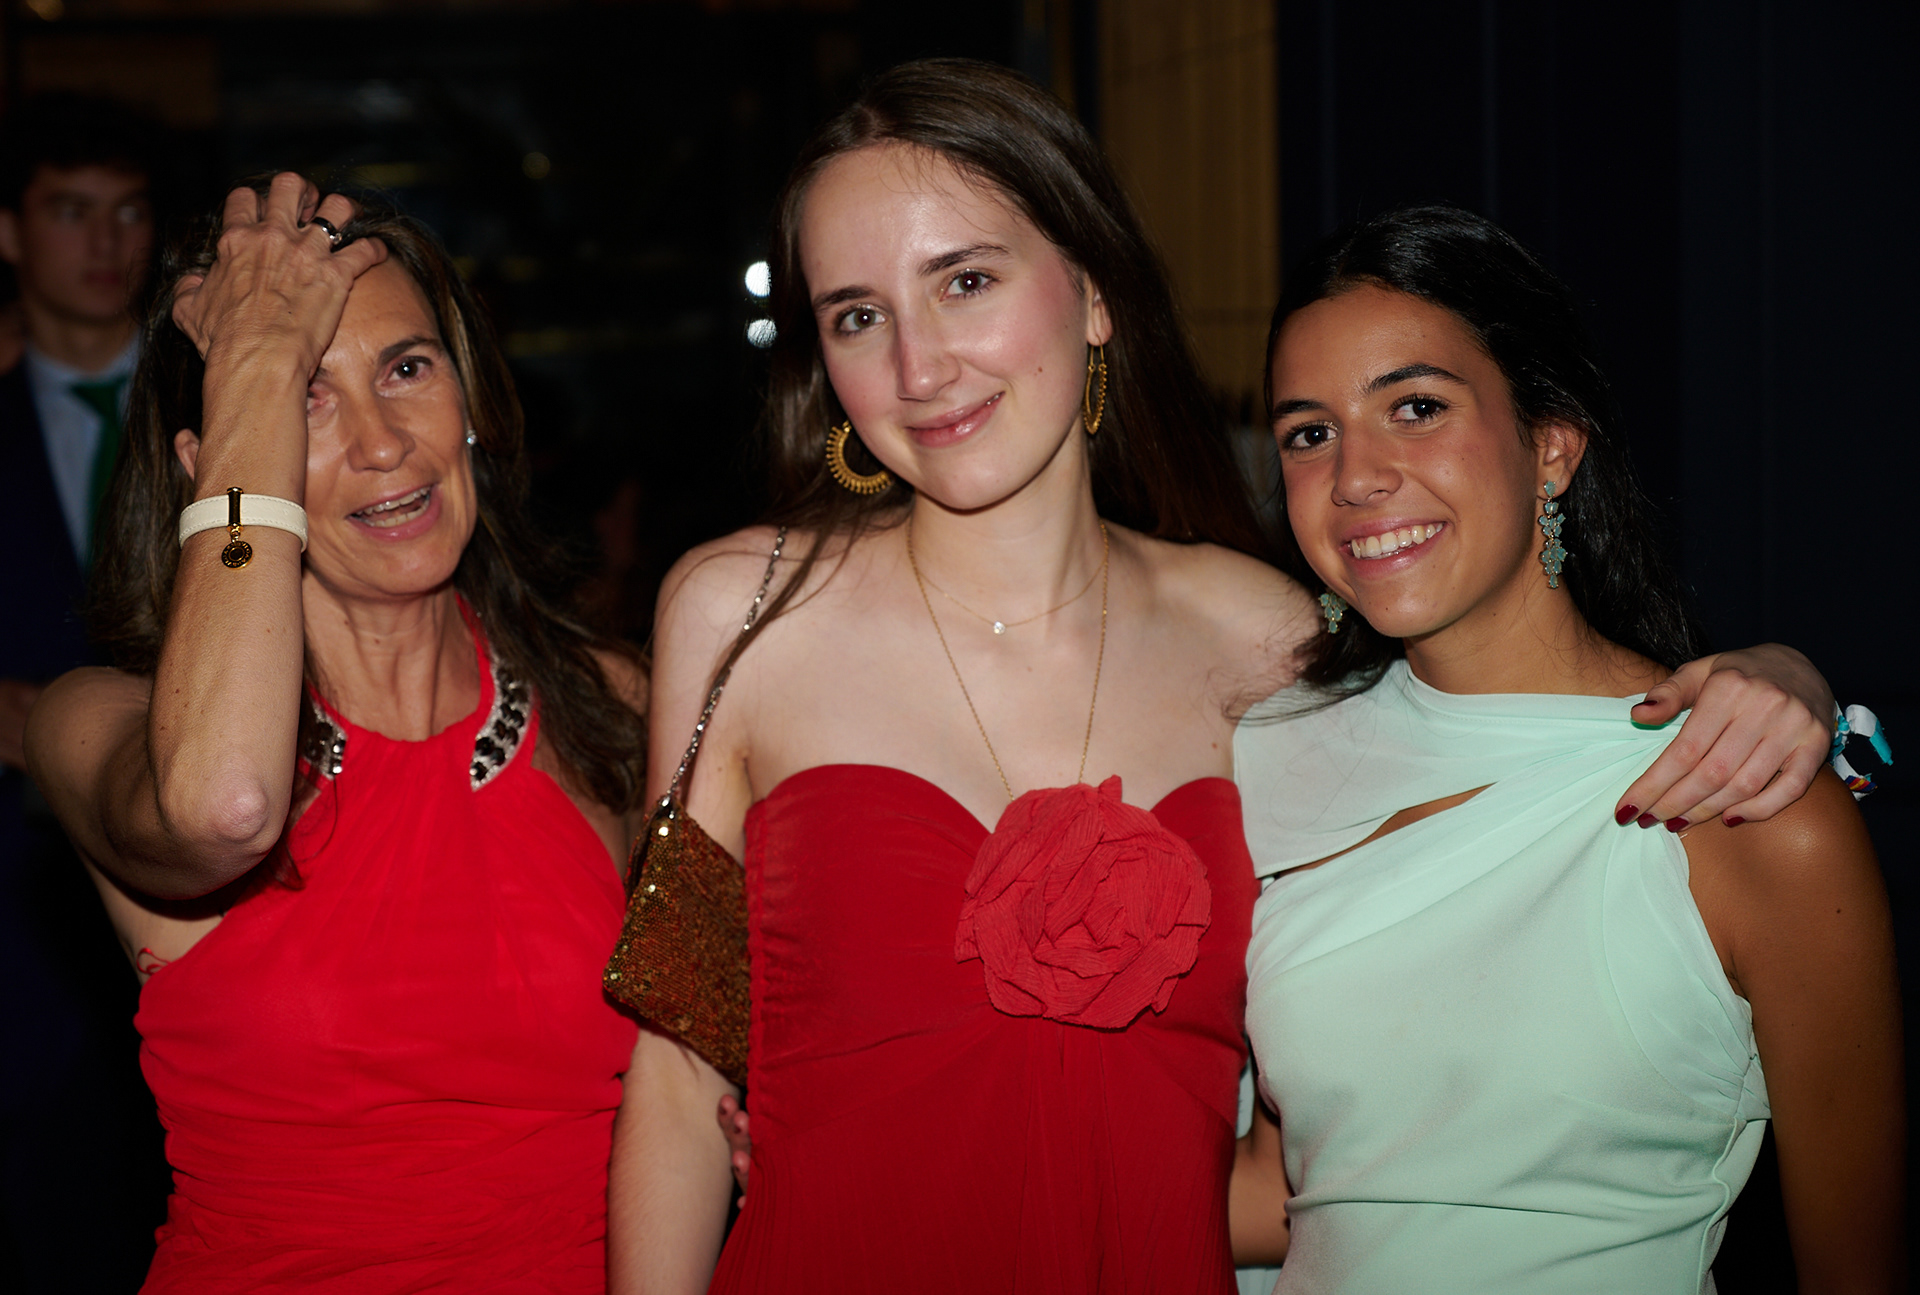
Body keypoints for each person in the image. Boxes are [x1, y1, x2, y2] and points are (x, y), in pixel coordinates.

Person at [614, 60, 1838, 1295]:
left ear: (1093, 294)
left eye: (965, 281)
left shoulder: (1266, 636)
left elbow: (1506, 788)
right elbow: (674, 1077)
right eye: (857, 316)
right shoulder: (742, 612)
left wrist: (1794, 685)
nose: (918, 366)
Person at [1231, 205, 1904, 1292]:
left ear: (1551, 445)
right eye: (1310, 432)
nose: (1355, 475)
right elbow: (1290, 1183)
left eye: (1415, 407)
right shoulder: (1270, 753)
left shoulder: (1743, 797)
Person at [25, 174, 648, 1292]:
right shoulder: (103, 722)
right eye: (306, 397)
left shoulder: (613, 706)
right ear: (215, 457)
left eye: (407, 369)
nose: (383, 444)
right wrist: (255, 368)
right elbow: (225, 809)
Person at [0, 90, 167, 1290]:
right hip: (20, 901)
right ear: (12, 233)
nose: (106, 242)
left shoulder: (219, 408)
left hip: (207, 858)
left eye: (128, 212)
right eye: (72, 211)